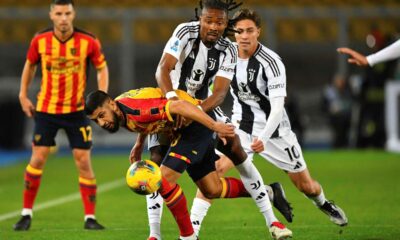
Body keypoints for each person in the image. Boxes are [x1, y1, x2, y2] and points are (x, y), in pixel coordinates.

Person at [130, 1, 292, 239]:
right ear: (200, 19)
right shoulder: (185, 32)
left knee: (233, 148)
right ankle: (154, 234)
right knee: (158, 163)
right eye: (209, 21)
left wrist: (193, 111)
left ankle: (273, 222)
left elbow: (219, 93)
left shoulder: (229, 48)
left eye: (220, 22)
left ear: (227, 24)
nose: (214, 26)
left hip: (203, 106)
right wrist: (176, 104)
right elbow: (162, 70)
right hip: (170, 103)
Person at [189, 9, 349, 236]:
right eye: (240, 31)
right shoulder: (226, 54)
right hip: (240, 127)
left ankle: (323, 203)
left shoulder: (271, 62)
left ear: (258, 32)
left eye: (250, 31)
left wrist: (262, 138)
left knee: (307, 186)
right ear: (234, 32)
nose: (244, 36)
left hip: (274, 133)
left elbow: (277, 107)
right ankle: (192, 231)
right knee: (214, 171)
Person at [85, 87, 291, 240]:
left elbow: (177, 105)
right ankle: (268, 191)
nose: (102, 123)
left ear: (111, 104)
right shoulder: (121, 109)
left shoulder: (138, 110)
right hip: (175, 129)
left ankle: (186, 236)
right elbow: (143, 121)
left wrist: (215, 126)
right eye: (96, 121)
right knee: (211, 188)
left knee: (157, 177)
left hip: (194, 124)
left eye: (102, 115)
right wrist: (139, 143)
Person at [14, 0, 109, 231]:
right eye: (59, 13)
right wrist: (23, 94)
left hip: (76, 112)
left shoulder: (88, 41)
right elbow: (30, 66)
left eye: (67, 13)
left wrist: (102, 97)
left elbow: (101, 68)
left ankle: (90, 218)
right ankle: (26, 214)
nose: (64, 18)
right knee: (37, 159)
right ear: (51, 15)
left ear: (73, 14)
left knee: (84, 162)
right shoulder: (40, 40)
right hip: (46, 110)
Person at [322, 74, 352, 148]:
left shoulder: (347, 91)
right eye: (338, 81)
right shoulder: (329, 92)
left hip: (346, 118)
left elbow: (351, 103)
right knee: (338, 132)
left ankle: (343, 145)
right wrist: (330, 108)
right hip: (334, 118)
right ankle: (337, 146)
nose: (339, 83)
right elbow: (323, 107)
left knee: (344, 132)